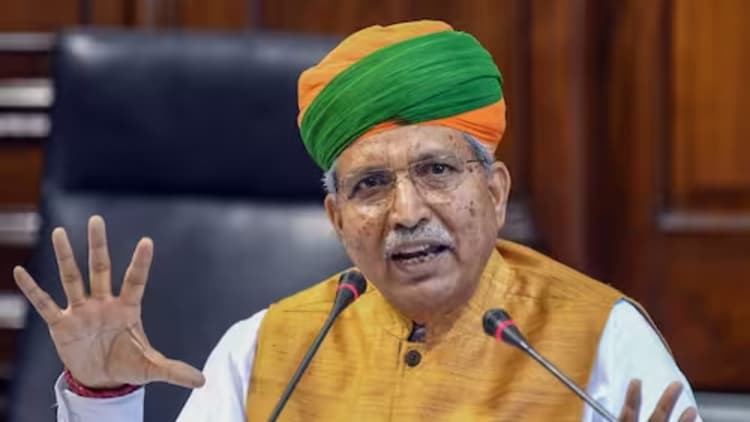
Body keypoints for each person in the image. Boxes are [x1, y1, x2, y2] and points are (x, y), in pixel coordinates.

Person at [12, 20, 701, 421]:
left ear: (494, 193)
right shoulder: (266, 349)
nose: (407, 212)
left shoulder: (601, 340)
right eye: (371, 185)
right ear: (338, 219)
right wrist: (101, 398)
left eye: (437, 170)